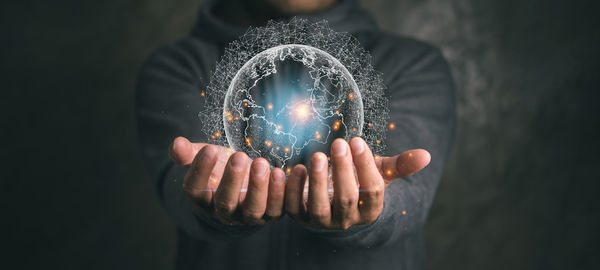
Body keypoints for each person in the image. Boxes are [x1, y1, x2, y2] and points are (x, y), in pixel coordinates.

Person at [135, 0, 455, 269]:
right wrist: (207, 200)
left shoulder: (411, 63)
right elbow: (180, 188)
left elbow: (408, 199)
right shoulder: (178, 66)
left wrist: (376, 205)